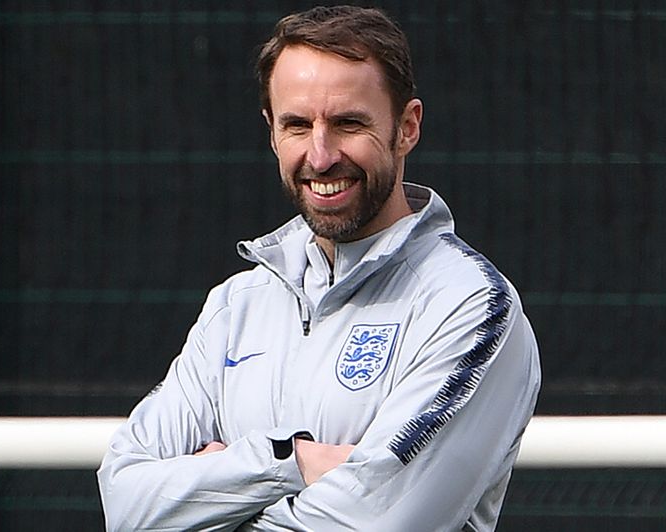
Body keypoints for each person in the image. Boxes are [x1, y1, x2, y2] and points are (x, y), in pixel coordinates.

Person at [97, 5, 540, 531]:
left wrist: (212, 486)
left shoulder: (467, 305)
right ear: (272, 131)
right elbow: (125, 505)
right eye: (298, 125)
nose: (321, 154)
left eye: (349, 123)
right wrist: (290, 462)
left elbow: (374, 526)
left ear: (407, 127)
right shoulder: (237, 305)